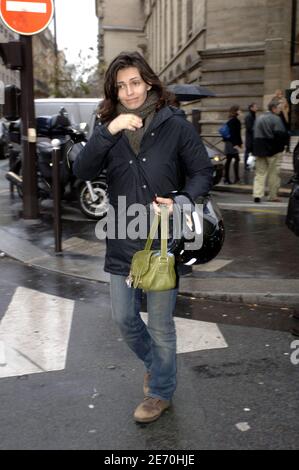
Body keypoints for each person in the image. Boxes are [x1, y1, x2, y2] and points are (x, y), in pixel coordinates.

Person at [73, 51, 213, 423]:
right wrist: (110, 130)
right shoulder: (108, 126)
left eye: (134, 82)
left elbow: (202, 172)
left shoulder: (175, 125)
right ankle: (159, 365)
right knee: (123, 318)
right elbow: (82, 168)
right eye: (120, 86)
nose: (129, 91)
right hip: (122, 235)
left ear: (148, 81)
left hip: (163, 239)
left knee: (161, 325)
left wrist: (182, 199)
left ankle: (159, 393)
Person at [252, 99, 288, 203]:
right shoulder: (276, 119)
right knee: (274, 174)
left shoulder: (259, 118)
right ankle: (272, 196)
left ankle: (257, 194)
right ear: (273, 108)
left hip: (259, 149)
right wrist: (281, 147)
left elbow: (253, 133)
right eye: (279, 108)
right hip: (273, 150)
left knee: (260, 173)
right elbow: (280, 135)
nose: (280, 110)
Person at [223, 105, 243, 184]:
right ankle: (235, 179)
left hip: (229, 143)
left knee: (229, 160)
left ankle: (226, 179)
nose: (241, 112)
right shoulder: (235, 121)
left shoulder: (231, 120)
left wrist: (239, 143)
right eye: (239, 110)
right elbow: (235, 134)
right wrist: (237, 144)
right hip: (232, 143)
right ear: (236, 111)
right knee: (236, 159)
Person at [244, 103, 258, 171]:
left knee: (252, 152)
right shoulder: (249, 116)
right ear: (251, 108)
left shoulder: (253, 115)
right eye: (255, 107)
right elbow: (249, 128)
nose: (257, 108)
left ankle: (250, 165)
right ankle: (247, 165)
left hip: (253, 138)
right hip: (250, 138)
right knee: (248, 152)